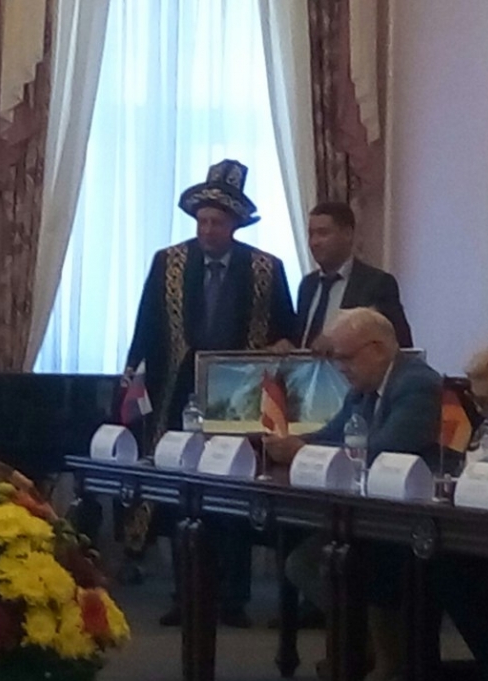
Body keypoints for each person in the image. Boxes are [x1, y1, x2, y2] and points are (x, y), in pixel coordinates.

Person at [123, 159, 295, 628]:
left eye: (217, 222)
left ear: (234, 224)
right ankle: (186, 596)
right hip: (179, 393)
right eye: (202, 221)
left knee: (233, 495)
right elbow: (147, 324)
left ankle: (233, 599)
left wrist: (281, 349)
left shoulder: (265, 268)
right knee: (184, 495)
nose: (207, 230)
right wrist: (132, 374)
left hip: (240, 398)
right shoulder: (169, 262)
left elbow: (287, 330)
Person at [265, 307, 441, 681]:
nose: (340, 368)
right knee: (304, 562)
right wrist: (288, 444)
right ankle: (361, 648)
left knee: (325, 563)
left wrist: (303, 452)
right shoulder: (363, 389)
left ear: (377, 349)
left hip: (412, 520)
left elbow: (386, 450)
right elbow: (331, 435)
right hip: (368, 513)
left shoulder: (417, 384)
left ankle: (379, 655)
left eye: (345, 357)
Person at [293, 202, 412, 349]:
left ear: (348, 234)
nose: (314, 242)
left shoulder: (377, 284)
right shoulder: (307, 285)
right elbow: (299, 340)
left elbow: (401, 344)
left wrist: (337, 341)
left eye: (323, 233)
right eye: (311, 234)